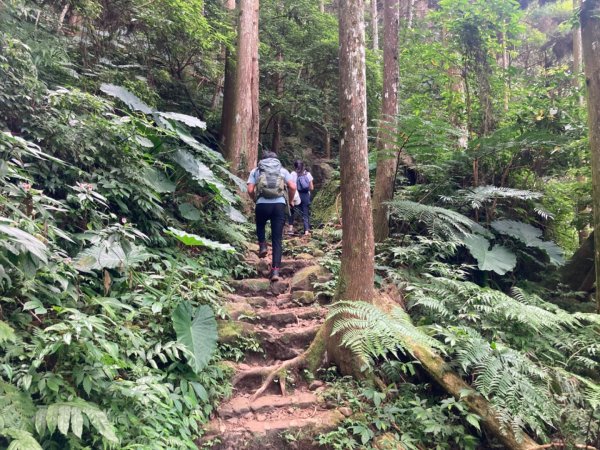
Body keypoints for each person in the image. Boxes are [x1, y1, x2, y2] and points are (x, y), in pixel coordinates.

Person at [247, 151, 296, 281]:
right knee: (277, 239)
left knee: (260, 224)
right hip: (278, 205)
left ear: (262, 160)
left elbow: (250, 190)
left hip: (261, 203)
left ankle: (262, 245)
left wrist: (255, 199)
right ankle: (275, 272)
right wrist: (290, 200)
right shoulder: (283, 170)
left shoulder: (256, 171)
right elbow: (292, 186)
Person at [287, 160, 314, 236]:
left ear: (295, 166)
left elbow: (289, 186)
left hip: (295, 195)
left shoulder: (292, 174)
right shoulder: (308, 174)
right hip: (305, 195)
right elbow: (311, 187)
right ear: (303, 166)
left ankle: (290, 229)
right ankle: (306, 231)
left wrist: (290, 198)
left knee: (291, 211)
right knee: (305, 212)